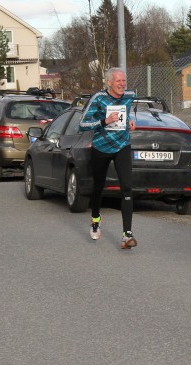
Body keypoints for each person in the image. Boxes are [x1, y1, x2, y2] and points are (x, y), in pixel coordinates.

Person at [80, 67, 138, 249]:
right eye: (118, 81)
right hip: (101, 147)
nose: (122, 84)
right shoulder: (98, 98)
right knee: (98, 187)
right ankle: (95, 221)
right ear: (109, 82)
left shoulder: (130, 95)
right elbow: (82, 124)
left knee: (127, 187)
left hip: (122, 145)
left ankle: (127, 235)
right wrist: (105, 121)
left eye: (124, 81)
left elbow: (125, 112)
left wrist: (128, 121)